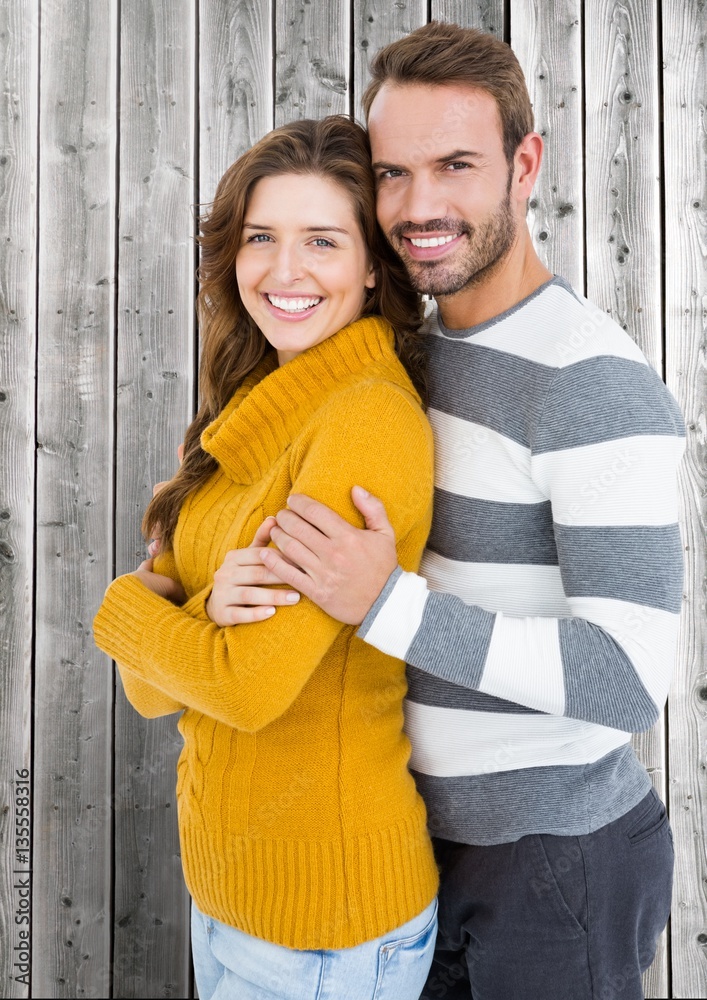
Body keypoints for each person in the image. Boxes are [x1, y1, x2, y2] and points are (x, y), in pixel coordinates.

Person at [251, 23, 686, 1000]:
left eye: (454, 165)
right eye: (393, 174)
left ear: (524, 164)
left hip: (553, 867)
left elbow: (625, 677)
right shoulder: (415, 349)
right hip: (412, 854)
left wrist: (386, 605)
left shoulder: (588, 383)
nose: (418, 207)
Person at [93, 115, 440, 1000]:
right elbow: (147, 691)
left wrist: (128, 610)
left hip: (325, 927)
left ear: (373, 265)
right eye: (260, 237)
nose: (284, 271)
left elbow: (243, 689)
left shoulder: (363, 421)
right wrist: (205, 619)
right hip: (236, 896)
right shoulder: (247, 412)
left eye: (321, 240)